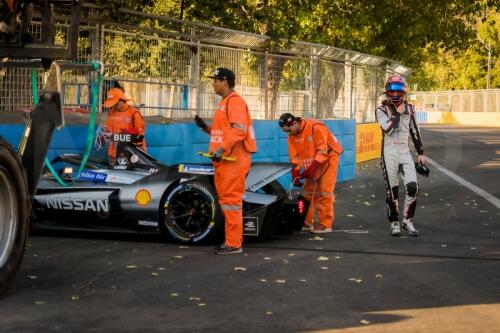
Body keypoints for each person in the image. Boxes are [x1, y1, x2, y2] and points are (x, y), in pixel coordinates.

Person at [194, 67, 257, 255]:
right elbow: (223, 131)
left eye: (215, 80)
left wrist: (221, 149)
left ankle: (234, 244)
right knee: (227, 202)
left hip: (233, 161)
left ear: (225, 81)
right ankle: (231, 241)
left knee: (231, 202)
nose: (213, 83)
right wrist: (206, 128)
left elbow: (239, 131)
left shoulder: (235, 102)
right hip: (224, 161)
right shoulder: (225, 102)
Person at [375, 75, 426, 237]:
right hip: (388, 153)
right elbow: (387, 129)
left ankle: (407, 220)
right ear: (387, 91)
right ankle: (394, 221)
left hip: (404, 151)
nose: (396, 94)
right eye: (392, 90)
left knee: (413, 187)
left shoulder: (411, 109)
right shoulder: (381, 110)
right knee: (392, 191)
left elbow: (415, 130)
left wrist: (420, 153)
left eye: (399, 90)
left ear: (404, 91)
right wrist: (397, 113)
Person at [279, 113, 343, 234]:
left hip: (329, 158)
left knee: (325, 191)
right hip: (314, 161)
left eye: (289, 129)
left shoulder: (316, 127)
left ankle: (325, 225)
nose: (288, 133)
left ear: (294, 123)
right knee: (308, 192)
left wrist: (312, 169)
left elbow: (323, 151)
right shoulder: (292, 135)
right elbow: (295, 157)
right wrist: (296, 172)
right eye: (285, 131)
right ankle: (306, 223)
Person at [103, 87, 146, 167]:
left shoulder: (134, 113)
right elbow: (106, 129)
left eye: (115, 103)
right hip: (113, 155)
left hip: (132, 155)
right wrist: (104, 135)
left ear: (121, 100)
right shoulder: (111, 112)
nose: (113, 106)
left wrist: (122, 134)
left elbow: (140, 133)